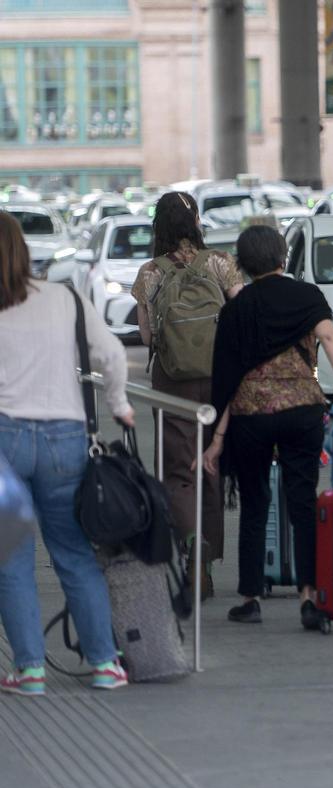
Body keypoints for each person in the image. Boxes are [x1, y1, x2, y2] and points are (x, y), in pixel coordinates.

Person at [202, 226, 333, 627]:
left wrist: (216, 439)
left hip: (251, 416)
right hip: (302, 411)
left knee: (255, 504)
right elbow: (330, 338)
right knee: (303, 501)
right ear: (282, 257)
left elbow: (228, 378)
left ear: (242, 264)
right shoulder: (307, 295)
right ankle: (309, 596)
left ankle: (251, 597)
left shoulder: (236, 310)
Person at [0, 210, 133, 694]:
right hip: (65, 439)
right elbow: (113, 355)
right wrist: (118, 403)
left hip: (4, 442)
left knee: (11, 559)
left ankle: (30, 671)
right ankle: (104, 664)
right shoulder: (65, 298)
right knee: (75, 554)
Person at [132, 191, 242, 601]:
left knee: (179, 472)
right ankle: (207, 565)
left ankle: (189, 542)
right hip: (218, 379)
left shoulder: (150, 272)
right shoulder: (220, 263)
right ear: (195, 220)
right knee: (211, 465)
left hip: (171, 381)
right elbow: (241, 314)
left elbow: (146, 336)